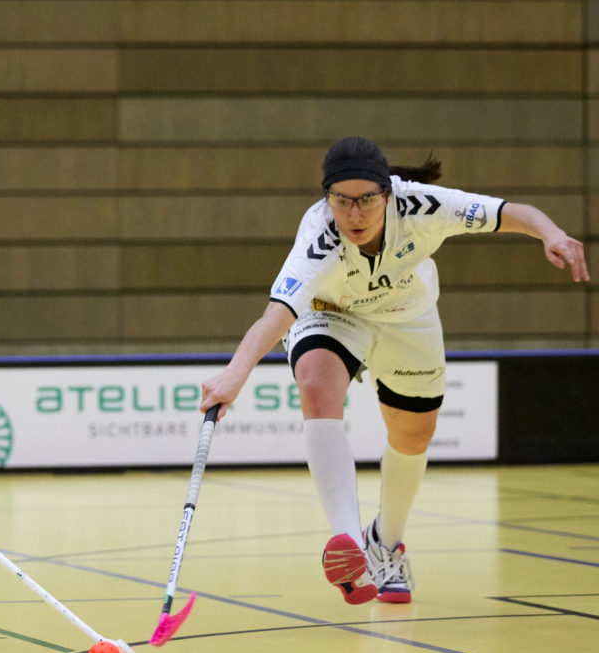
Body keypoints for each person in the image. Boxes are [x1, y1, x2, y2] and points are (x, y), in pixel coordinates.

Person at [200, 136, 589, 606]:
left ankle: (384, 541)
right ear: (327, 198)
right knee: (317, 386)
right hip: (333, 312)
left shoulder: (424, 206)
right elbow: (277, 314)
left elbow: (511, 212)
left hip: (407, 315)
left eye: (366, 200)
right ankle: (350, 546)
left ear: (387, 193)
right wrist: (234, 376)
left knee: (413, 435)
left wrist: (552, 234)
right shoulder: (319, 238)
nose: (355, 214)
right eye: (342, 201)